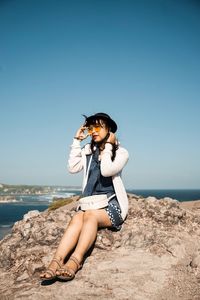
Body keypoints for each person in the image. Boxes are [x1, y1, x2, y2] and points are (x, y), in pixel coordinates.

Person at [40, 112, 129, 282]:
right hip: (89, 203)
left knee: (90, 216)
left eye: (98, 127)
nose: (94, 131)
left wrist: (109, 147)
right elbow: (73, 168)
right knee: (77, 218)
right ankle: (56, 262)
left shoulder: (121, 152)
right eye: (91, 128)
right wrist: (76, 141)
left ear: (109, 129)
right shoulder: (88, 150)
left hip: (111, 206)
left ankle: (75, 261)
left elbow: (107, 170)